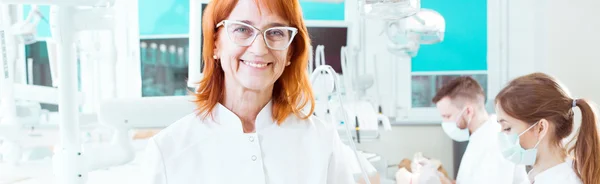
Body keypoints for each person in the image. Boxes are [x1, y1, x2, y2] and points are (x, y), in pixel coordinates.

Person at [140, 0, 355, 183]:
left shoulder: (322, 141)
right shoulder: (168, 151)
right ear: (215, 43)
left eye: (276, 32)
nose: (259, 49)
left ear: (290, 52)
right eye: (242, 29)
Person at [495, 72, 600, 184]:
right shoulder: (553, 173)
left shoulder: (562, 180)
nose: (501, 135)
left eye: (507, 128)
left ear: (540, 128)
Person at [432, 76, 528, 184]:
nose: (445, 122)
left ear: (468, 111)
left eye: (447, 116)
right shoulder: (480, 135)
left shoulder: (495, 142)